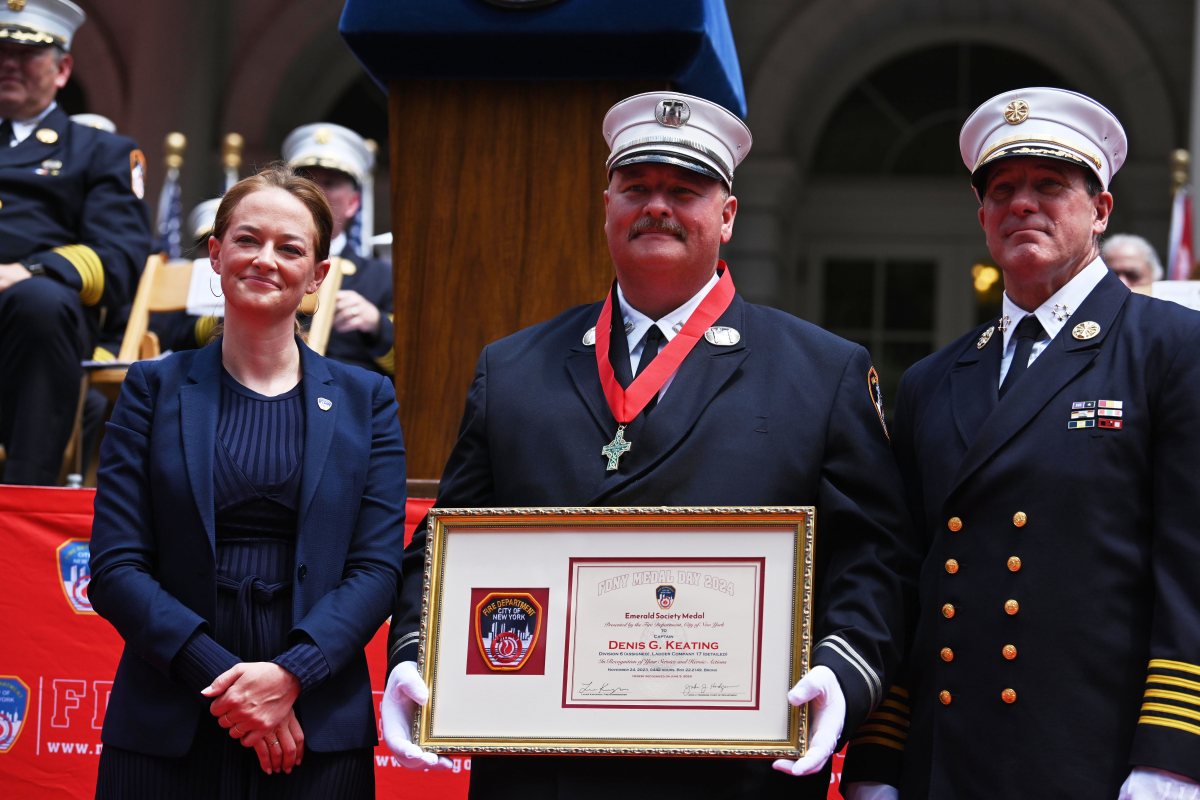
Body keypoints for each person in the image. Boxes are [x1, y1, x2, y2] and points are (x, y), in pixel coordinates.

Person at [380, 91, 915, 800]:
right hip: (543, 773)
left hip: (734, 776)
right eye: (637, 187)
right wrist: (420, 655)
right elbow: (446, 547)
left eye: (685, 190)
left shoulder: (820, 372)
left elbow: (873, 559)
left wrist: (842, 674)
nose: (657, 205)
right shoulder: (512, 370)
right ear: (607, 207)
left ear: (727, 216)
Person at [842, 87, 1200, 798]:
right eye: (1002, 189)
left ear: (1100, 209)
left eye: (1049, 185)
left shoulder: (1170, 348)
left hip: (1095, 757)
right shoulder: (935, 379)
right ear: (981, 218)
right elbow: (911, 579)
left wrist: (1170, 762)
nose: (1022, 203)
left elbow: (1190, 571)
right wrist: (881, 757)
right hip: (946, 762)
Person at [88, 164, 407, 798]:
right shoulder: (152, 388)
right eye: (246, 240)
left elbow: (375, 571)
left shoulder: (368, 399)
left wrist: (290, 676)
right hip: (169, 717)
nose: (265, 259)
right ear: (216, 253)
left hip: (312, 726)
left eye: (290, 248)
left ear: (317, 275)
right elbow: (117, 566)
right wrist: (229, 683)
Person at [0, 0, 151, 485]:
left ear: (62, 69)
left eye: (26, 54)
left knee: (40, 302)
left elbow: (121, 256)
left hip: (33, 314)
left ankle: (24, 490)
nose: (8, 62)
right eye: (1, 50)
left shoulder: (101, 152)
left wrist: (30, 272)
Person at [284, 122, 394, 376]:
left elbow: (414, 361)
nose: (316, 193)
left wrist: (377, 324)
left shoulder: (380, 278)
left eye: (330, 183)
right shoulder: (260, 261)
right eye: (306, 181)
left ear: (353, 203)